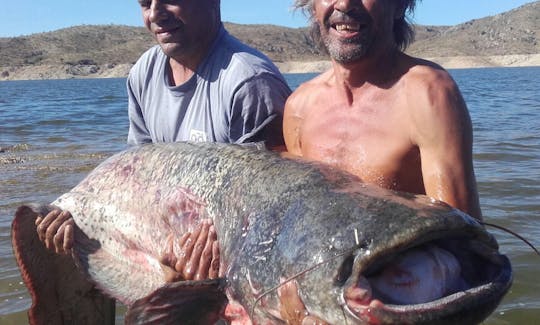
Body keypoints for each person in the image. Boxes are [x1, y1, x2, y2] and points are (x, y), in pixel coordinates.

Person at [35, 0, 291, 282]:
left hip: (225, 262)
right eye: (146, 3)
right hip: (170, 238)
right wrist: (80, 223)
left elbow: (266, 219)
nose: (155, 14)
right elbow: (137, 180)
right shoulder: (143, 73)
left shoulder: (250, 83)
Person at [277, 0, 484, 322]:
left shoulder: (427, 93)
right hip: (324, 300)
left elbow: (461, 245)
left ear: (400, 5)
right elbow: (298, 232)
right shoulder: (299, 106)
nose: (344, 4)